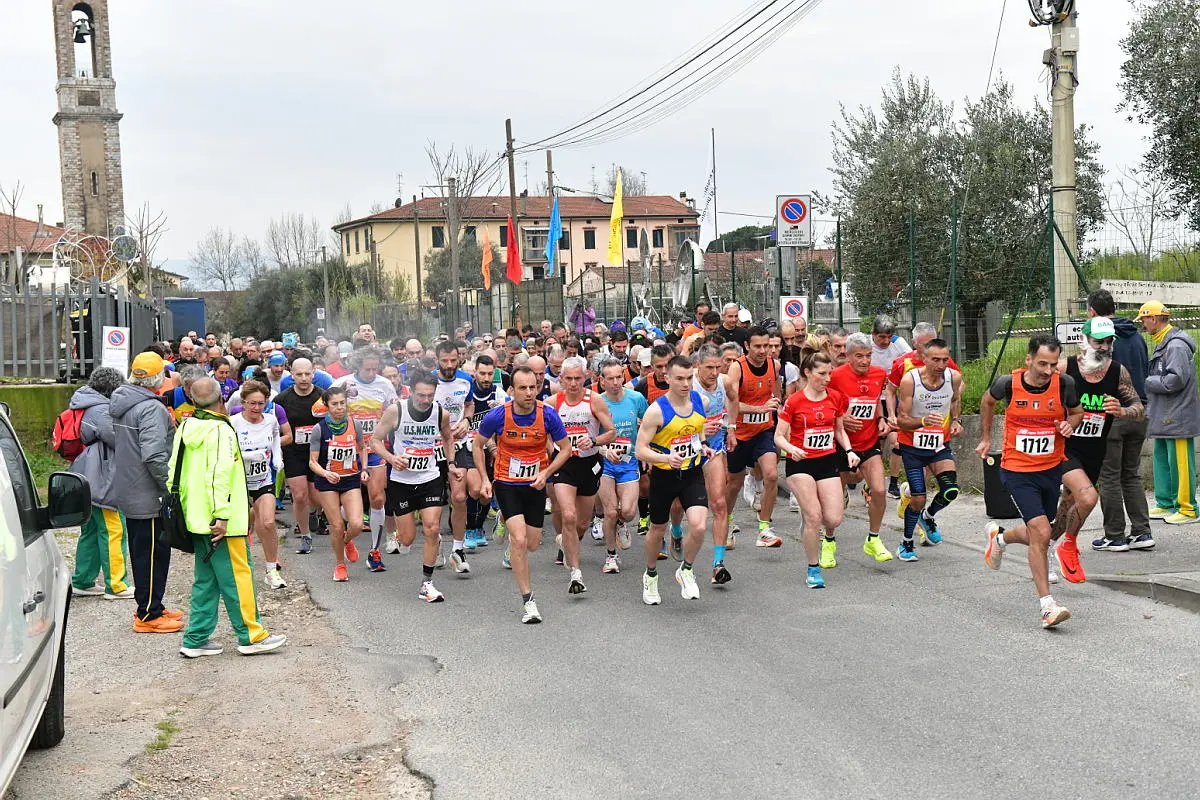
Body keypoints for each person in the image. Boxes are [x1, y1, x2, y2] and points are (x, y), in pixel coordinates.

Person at [169, 378, 288, 657]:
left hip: (196, 517)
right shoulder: (222, 430)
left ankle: (195, 639)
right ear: (222, 400)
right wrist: (222, 515)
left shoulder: (186, 425)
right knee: (238, 578)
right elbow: (220, 475)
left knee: (206, 581)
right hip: (223, 522)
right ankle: (251, 635)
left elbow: (173, 470)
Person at [978, 335, 1083, 629]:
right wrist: (986, 438)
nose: (1047, 370)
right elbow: (987, 401)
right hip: (1017, 470)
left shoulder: (1064, 384)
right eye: (1041, 364)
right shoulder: (1007, 383)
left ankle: (998, 538)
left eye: (1052, 364)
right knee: (1040, 531)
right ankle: (1047, 606)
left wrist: (1069, 424)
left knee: (1043, 531)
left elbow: (1076, 412)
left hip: (1050, 470)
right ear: (1028, 360)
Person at [474, 367, 573, 624]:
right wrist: (485, 479)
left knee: (531, 543)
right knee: (519, 541)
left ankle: (505, 525)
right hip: (506, 482)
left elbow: (565, 449)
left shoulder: (547, 415)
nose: (529, 392)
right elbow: (477, 444)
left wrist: (547, 473)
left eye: (533, 387)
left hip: (535, 485)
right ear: (512, 390)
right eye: (523, 388)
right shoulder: (498, 416)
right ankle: (528, 601)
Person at [1048, 317, 1144, 584]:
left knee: (1066, 509)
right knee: (1089, 498)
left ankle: (1024, 542)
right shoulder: (1065, 368)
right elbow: (1036, 391)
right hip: (1065, 447)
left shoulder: (1117, 372)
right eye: (1097, 341)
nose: (1103, 346)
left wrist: (1122, 410)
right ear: (1084, 341)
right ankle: (1068, 546)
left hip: (1094, 451)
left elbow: (1139, 407)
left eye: (1108, 341)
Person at [111, 352, 183, 633]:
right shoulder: (150, 408)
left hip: (131, 488)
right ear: (157, 377)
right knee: (153, 553)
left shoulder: (123, 402)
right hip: (148, 493)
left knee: (143, 552)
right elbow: (154, 455)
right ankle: (149, 615)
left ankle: (153, 603)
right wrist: (170, 488)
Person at [777, 351, 859, 588]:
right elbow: (778, 437)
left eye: (830, 373)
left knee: (833, 518)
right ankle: (813, 569)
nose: (827, 378)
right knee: (814, 516)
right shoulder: (795, 401)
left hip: (827, 461)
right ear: (807, 373)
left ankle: (810, 522)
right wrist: (792, 448)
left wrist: (850, 450)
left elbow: (839, 429)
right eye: (822, 374)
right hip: (800, 463)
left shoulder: (835, 397)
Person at [634, 355, 710, 605]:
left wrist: (704, 445)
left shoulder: (701, 401)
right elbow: (640, 450)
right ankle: (651, 574)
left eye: (689, 378)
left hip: (692, 472)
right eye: (679, 378)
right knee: (657, 528)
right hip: (664, 476)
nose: (686, 384)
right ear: (667, 378)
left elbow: (695, 431)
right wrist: (666, 459)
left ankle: (686, 570)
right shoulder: (656, 411)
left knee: (698, 526)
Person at [373, 369, 453, 602]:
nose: (426, 400)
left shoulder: (440, 413)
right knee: (407, 539)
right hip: (402, 482)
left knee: (431, 528)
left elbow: (448, 438)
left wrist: (452, 463)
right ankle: (402, 536)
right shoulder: (396, 410)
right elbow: (375, 441)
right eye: (421, 395)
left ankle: (426, 583)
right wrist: (391, 459)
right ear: (411, 391)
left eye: (430, 395)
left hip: (430, 477)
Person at [1088, 290, 1153, 550]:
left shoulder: (1098, 341)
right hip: (1139, 412)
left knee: (1110, 477)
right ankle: (1142, 532)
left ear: (1092, 311)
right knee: (1131, 475)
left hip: (1112, 413)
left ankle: (1114, 535)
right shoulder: (1137, 336)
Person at [550, 356, 616, 594]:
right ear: (561, 379)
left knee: (582, 523)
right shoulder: (552, 402)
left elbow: (611, 432)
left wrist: (595, 440)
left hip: (589, 464)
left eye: (578, 378)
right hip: (564, 464)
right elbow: (544, 433)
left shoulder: (594, 400)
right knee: (568, 515)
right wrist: (552, 453)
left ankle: (567, 542)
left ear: (586, 377)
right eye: (569, 379)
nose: (574, 383)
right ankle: (576, 574)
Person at [894, 338, 964, 562]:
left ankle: (929, 516)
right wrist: (922, 421)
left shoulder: (953, 378)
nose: (941, 365)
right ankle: (906, 543)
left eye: (945, 359)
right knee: (918, 498)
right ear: (923, 358)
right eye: (935, 359)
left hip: (938, 444)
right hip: (912, 446)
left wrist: (955, 420)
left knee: (950, 490)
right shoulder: (910, 380)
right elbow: (901, 419)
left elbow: (955, 400)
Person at [68, 367, 133, 600]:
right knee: (113, 528)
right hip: (102, 476)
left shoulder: (84, 403)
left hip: (88, 473)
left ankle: (83, 580)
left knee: (91, 530)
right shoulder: (102, 409)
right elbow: (118, 439)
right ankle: (116, 584)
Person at [828, 333, 893, 563]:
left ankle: (873, 539)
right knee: (834, 505)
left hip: (868, 442)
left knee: (879, 490)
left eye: (868, 356)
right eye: (859, 357)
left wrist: (882, 419)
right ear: (847, 355)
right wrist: (841, 418)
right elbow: (824, 403)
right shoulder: (835, 376)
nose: (865, 361)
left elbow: (875, 400)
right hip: (841, 444)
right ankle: (828, 540)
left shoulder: (878, 374)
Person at [333, 346, 397, 571]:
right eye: (367, 369)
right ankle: (346, 533)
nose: (371, 373)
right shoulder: (342, 383)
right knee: (346, 501)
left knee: (378, 498)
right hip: (348, 450)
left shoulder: (385, 385)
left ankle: (375, 551)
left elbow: (394, 412)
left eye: (374, 368)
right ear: (357, 366)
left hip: (374, 448)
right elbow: (323, 408)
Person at [1137, 301, 1200, 524]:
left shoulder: (1176, 346)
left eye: (1144, 320)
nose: (1143, 325)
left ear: (1153, 318)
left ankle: (1188, 508)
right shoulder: (1165, 342)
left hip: (1178, 415)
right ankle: (1166, 503)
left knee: (1181, 463)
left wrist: (1149, 381)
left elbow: (1176, 380)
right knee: (1162, 459)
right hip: (1166, 413)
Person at [725, 327, 783, 547]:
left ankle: (764, 528)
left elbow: (776, 392)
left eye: (766, 346)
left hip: (763, 431)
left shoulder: (774, 365)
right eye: (757, 346)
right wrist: (759, 409)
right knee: (734, 483)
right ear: (747, 346)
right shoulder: (736, 369)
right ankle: (728, 521)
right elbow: (731, 403)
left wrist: (777, 406)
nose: (762, 351)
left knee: (771, 475)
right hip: (739, 434)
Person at [231, 380, 288, 589]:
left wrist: (277, 458)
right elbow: (229, 452)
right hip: (238, 482)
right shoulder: (234, 422)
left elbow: (275, 438)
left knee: (269, 522)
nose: (256, 408)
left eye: (260, 403)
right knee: (238, 526)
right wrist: (249, 457)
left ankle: (271, 570)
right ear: (244, 402)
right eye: (252, 403)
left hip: (263, 479)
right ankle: (238, 567)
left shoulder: (271, 420)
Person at [308, 385, 369, 582]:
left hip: (350, 478)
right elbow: (312, 462)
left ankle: (347, 540)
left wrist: (365, 469)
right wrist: (326, 473)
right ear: (327, 406)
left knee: (357, 524)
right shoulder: (319, 429)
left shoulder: (354, 424)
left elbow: (362, 448)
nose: (340, 407)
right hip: (328, 481)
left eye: (342, 403)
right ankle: (339, 565)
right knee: (335, 525)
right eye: (335, 404)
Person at [597, 358, 647, 572]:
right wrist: (604, 450)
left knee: (626, 511)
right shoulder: (596, 402)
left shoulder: (636, 398)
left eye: (619, 377)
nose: (616, 382)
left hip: (629, 461)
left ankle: (621, 523)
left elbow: (649, 424)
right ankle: (611, 556)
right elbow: (589, 438)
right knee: (609, 511)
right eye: (611, 378)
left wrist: (645, 450)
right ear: (602, 381)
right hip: (604, 463)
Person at [692, 345, 733, 583]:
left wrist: (732, 429)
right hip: (687, 451)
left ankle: (718, 564)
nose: (715, 372)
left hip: (714, 450)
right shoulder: (689, 387)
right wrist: (700, 429)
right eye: (709, 367)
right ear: (698, 365)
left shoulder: (724, 382)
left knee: (719, 503)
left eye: (718, 367)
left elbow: (734, 400)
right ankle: (676, 531)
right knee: (677, 507)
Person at [274, 358, 324, 554]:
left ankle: (315, 513)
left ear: (313, 373)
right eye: (299, 374)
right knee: (300, 495)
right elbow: (274, 425)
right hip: (293, 452)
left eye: (307, 374)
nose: (303, 378)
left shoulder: (322, 397)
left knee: (317, 496)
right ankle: (305, 536)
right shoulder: (282, 400)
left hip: (317, 452)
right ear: (292, 375)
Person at [434, 341, 476, 565]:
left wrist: (467, 420)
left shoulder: (466, 379)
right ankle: (436, 542)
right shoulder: (429, 380)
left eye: (453, 360)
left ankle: (458, 550)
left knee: (459, 497)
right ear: (437, 360)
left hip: (458, 444)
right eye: (444, 361)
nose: (449, 365)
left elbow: (469, 404)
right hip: (432, 447)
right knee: (434, 502)